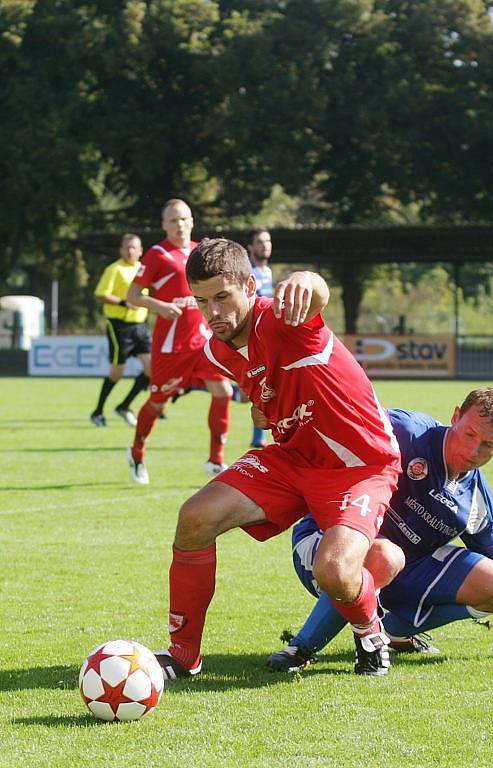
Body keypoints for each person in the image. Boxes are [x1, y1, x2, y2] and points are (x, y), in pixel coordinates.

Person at [154, 237, 402, 681]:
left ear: (251, 286)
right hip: (292, 458)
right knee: (194, 517)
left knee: (334, 571)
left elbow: (314, 294)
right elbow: (264, 394)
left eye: (223, 297)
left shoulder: (287, 319)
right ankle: (183, 656)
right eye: (202, 301)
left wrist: (307, 281)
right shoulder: (218, 349)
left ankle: (370, 629)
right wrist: (266, 408)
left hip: (359, 465)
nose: (212, 313)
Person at [267, 388, 493, 675]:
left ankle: (393, 631)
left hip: (395, 569)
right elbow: (340, 425)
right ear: (455, 417)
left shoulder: (475, 502)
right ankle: (301, 648)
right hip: (326, 544)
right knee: (384, 554)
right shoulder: (405, 432)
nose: (474, 449)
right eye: (470, 434)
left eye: (488, 445)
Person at [125, 200, 233, 485]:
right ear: (164, 225)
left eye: (184, 219)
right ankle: (136, 453)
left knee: (223, 391)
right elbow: (132, 295)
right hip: (171, 346)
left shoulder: (200, 253)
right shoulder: (157, 255)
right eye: (173, 220)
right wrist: (158, 305)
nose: (179, 224)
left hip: (202, 341)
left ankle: (215, 459)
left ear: (192, 221)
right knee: (159, 402)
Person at [90, 233, 151, 427]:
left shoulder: (143, 270)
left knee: (152, 369)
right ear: (121, 250)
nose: (130, 250)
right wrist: (125, 303)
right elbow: (100, 294)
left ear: (141, 251)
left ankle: (124, 406)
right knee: (117, 371)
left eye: (134, 247)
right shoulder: (114, 269)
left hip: (140, 325)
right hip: (119, 325)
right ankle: (98, 412)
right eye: (127, 247)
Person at [246, 227, 273, 448]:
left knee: (268, 388)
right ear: (251, 247)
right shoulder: (248, 273)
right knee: (264, 387)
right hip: (255, 339)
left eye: (268, 241)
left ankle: (259, 438)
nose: (265, 245)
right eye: (260, 242)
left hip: (269, 338)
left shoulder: (268, 271)